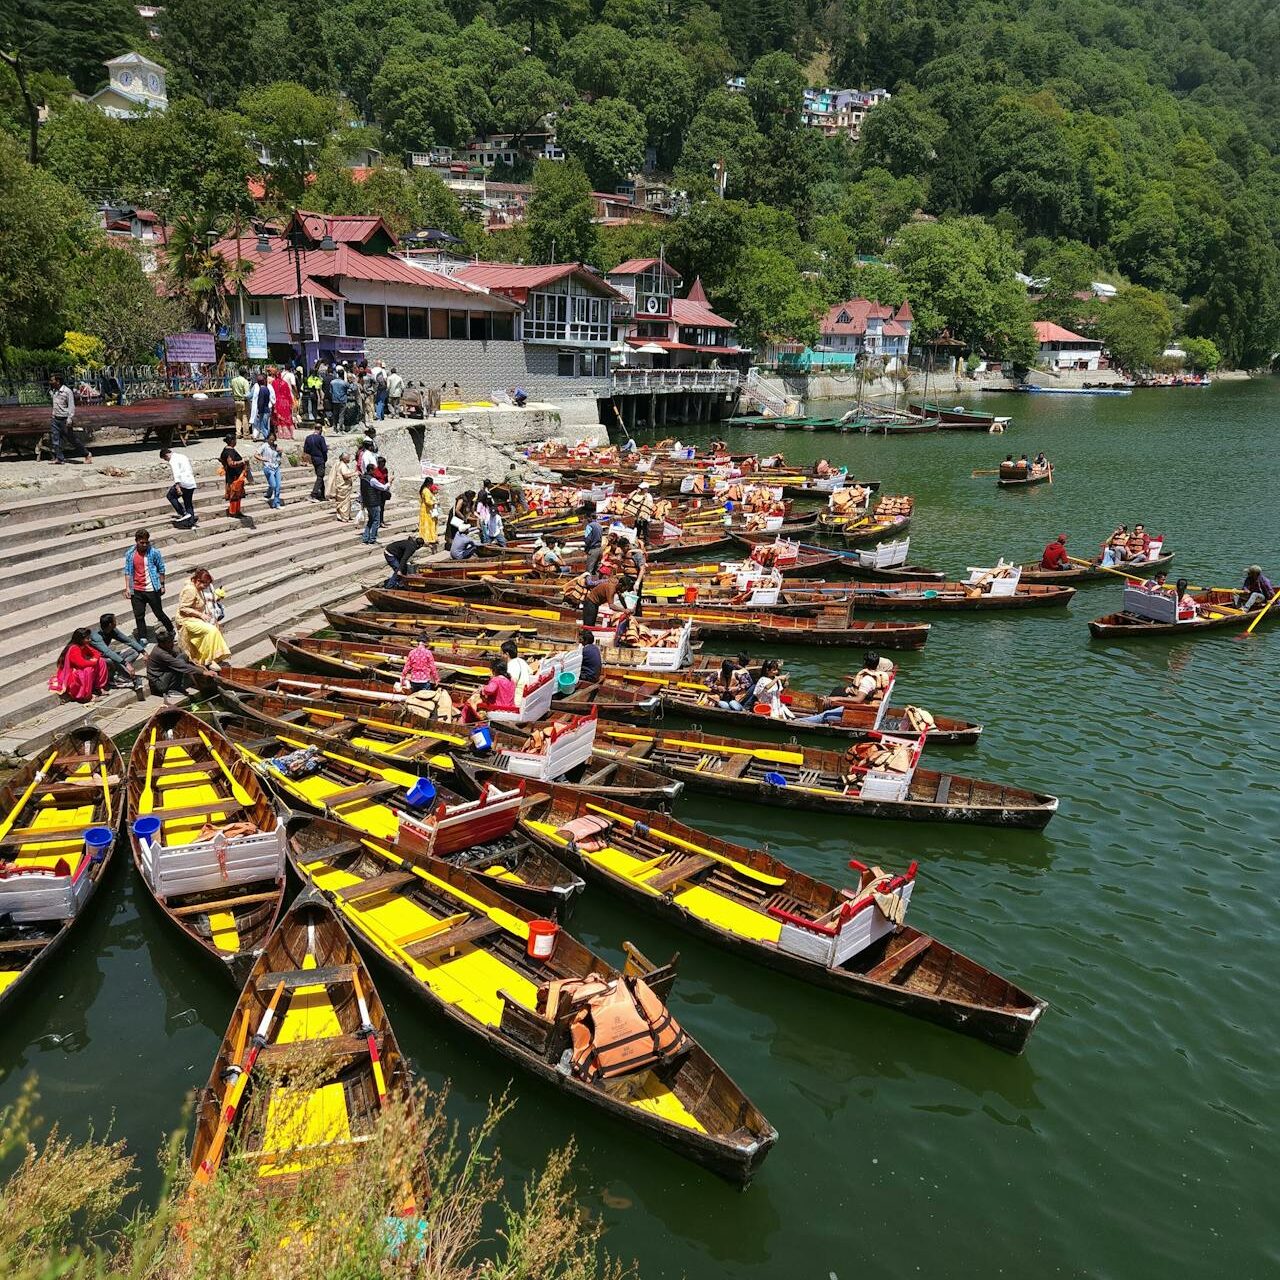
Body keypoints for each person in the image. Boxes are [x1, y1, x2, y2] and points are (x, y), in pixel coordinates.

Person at [176, 567, 230, 671]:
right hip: (186, 620)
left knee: (215, 628)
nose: (205, 587)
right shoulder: (190, 590)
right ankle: (209, 660)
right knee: (211, 630)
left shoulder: (198, 588)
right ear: (197, 581)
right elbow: (183, 608)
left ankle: (211, 657)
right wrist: (200, 615)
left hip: (195, 618)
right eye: (204, 584)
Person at [122, 528, 172, 641]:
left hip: (152, 588)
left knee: (159, 613)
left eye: (146, 542)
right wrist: (128, 588)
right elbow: (128, 572)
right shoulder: (130, 554)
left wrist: (162, 585)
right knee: (139, 615)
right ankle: (143, 637)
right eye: (142, 542)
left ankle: (170, 629)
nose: (144, 545)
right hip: (137, 589)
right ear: (136, 541)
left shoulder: (154, 553)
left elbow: (161, 569)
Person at [90, 613, 146, 694]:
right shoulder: (96, 636)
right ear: (110, 624)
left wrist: (144, 652)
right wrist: (126, 663)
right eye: (115, 621)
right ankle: (126, 677)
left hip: (109, 655)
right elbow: (107, 652)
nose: (117, 622)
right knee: (110, 660)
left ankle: (120, 674)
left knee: (134, 652)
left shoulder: (113, 630)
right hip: (98, 658)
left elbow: (128, 640)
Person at [50, 628, 108, 702]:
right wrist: (93, 661)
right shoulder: (74, 648)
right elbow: (81, 664)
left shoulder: (84, 645)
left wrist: (95, 660)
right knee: (88, 670)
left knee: (101, 661)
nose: (90, 640)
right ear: (81, 639)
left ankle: (99, 687)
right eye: (87, 638)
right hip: (72, 672)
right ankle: (87, 696)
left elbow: (96, 653)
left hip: (81, 666)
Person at [145, 630, 204, 704]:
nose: (172, 644)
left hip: (164, 676)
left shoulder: (164, 647)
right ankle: (172, 689)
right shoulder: (160, 654)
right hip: (159, 683)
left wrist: (193, 662)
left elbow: (178, 654)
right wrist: (203, 672)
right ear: (162, 644)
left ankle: (179, 684)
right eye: (169, 642)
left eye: (172, 641)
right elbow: (179, 665)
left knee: (183, 656)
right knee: (180, 663)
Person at [49, 374, 90, 466]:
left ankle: (86, 454)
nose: (50, 382)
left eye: (52, 380)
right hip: (55, 418)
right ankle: (59, 458)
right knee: (55, 439)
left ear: (58, 381)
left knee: (72, 439)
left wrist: (70, 418)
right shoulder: (54, 391)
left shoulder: (67, 391)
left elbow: (71, 406)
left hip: (64, 419)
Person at [461, 656, 517, 723]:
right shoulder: (511, 680)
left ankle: (463, 721)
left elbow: (490, 690)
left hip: (498, 709)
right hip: (510, 709)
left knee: (471, 702)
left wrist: (482, 689)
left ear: (494, 670)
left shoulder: (496, 680)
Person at [160, 446, 198, 527]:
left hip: (183, 483)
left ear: (166, 455)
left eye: (165, 459)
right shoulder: (182, 456)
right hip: (191, 482)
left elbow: (176, 473)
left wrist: (177, 486)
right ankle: (191, 523)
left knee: (170, 496)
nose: (166, 461)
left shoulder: (173, 460)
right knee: (188, 503)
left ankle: (183, 513)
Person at [218, 434, 249, 517]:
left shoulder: (225, 450)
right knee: (234, 493)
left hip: (232, 474)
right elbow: (231, 463)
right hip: (234, 475)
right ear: (232, 441)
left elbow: (221, 459)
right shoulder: (230, 451)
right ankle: (233, 512)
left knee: (238, 494)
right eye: (235, 440)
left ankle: (237, 511)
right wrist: (243, 462)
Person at [362, 456, 391, 543]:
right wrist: (390, 482)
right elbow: (383, 487)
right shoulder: (373, 480)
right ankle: (372, 539)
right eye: (373, 470)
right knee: (376, 521)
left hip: (367, 502)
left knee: (370, 520)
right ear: (371, 470)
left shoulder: (363, 478)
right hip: (374, 501)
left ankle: (365, 537)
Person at [256, 430, 283, 509]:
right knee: (273, 485)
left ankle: (276, 503)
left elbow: (278, 457)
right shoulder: (264, 446)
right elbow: (256, 454)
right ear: (267, 439)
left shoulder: (275, 446)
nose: (271, 441)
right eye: (270, 440)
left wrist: (280, 452)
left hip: (276, 467)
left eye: (273, 440)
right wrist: (263, 459)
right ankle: (268, 494)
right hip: (268, 468)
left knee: (278, 486)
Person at [303, 420, 328, 501]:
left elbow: (306, 450)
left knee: (320, 477)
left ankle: (322, 495)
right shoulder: (321, 438)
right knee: (320, 477)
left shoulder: (308, 438)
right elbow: (324, 450)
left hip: (313, 459)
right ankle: (313, 494)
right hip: (321, 459)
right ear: (320, 429)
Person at [247, 373, 274, 440]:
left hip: (261, 409)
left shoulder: (260, 389)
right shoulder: (268, 388)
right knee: (265, 424)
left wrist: (259, 411)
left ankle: (267, 438)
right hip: (267, 408)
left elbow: (260, 401)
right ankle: (266, 437)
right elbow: (272, 398)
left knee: (260, 425)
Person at [270, 366, 295, 438]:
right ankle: (289, 434)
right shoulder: (285, 383)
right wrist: (291, 403)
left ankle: (281, 434)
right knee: (287, 418)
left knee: (280, 419)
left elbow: (273, 394)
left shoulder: (274, 383)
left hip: (278, 402)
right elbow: (288, 394)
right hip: (285, 402)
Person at [331, 451, 355, 522]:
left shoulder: (339, 464)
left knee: (342, 503)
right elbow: (345, 475)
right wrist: (354, 473)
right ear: (344, 459)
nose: (349, 459)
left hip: (342, 487)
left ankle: (341, 516)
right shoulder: (342, 466)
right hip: (343, 487)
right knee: (345, 503)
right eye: (348, 458)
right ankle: (345, 517)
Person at [417, 477, 439, 549]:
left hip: (426, 509)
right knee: (428, 524)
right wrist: (435, 502)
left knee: (429, 523)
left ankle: (431, 538)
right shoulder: (426, 490)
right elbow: (428, 501)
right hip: (427, 510)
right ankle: (427, 539)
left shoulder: (426, 490)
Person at [230, 367, 251, 438]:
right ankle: (246, 434)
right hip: (243, 401)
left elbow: (232, 390)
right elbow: (247, 393)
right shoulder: (245, 381)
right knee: (245, 417)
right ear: (245, 374)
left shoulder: (233, 380)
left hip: (236, 401)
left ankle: (238, 433)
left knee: (238, 417)